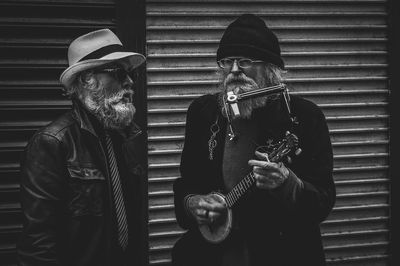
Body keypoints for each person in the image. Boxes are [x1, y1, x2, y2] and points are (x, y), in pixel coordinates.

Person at [172, 14, 336, 266]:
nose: (234, 70)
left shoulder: (303, 116)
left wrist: (287, 183)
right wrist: (194, 204)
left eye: (246, 61)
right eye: (227, 62)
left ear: (270, 69)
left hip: (281, 253)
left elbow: (324, 199)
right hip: (213, 254)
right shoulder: (203, 112)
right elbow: (187, 183)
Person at [17, 29, 146, 266]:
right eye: (118, 72)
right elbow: (38, 244)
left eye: (130, 74)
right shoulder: (53, 142)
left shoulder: (126, 136)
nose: (129, 82)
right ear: (88, 80)